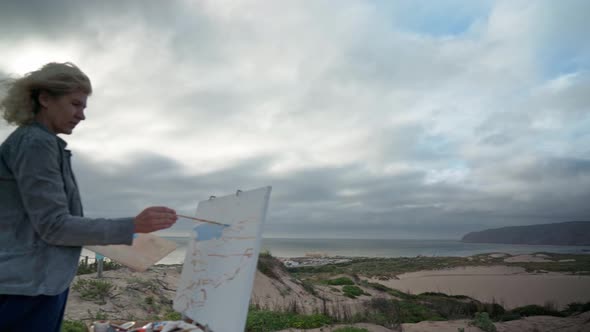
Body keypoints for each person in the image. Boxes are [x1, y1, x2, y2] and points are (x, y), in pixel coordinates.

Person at [0, 62, 178, 331]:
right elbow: (54, 226)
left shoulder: (39, 143)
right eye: (75, 104)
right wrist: (133, 225)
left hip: (34, 281)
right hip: (28, 287)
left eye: (83, 106)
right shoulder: (36, 143)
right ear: (45, 98)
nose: (82, 115)